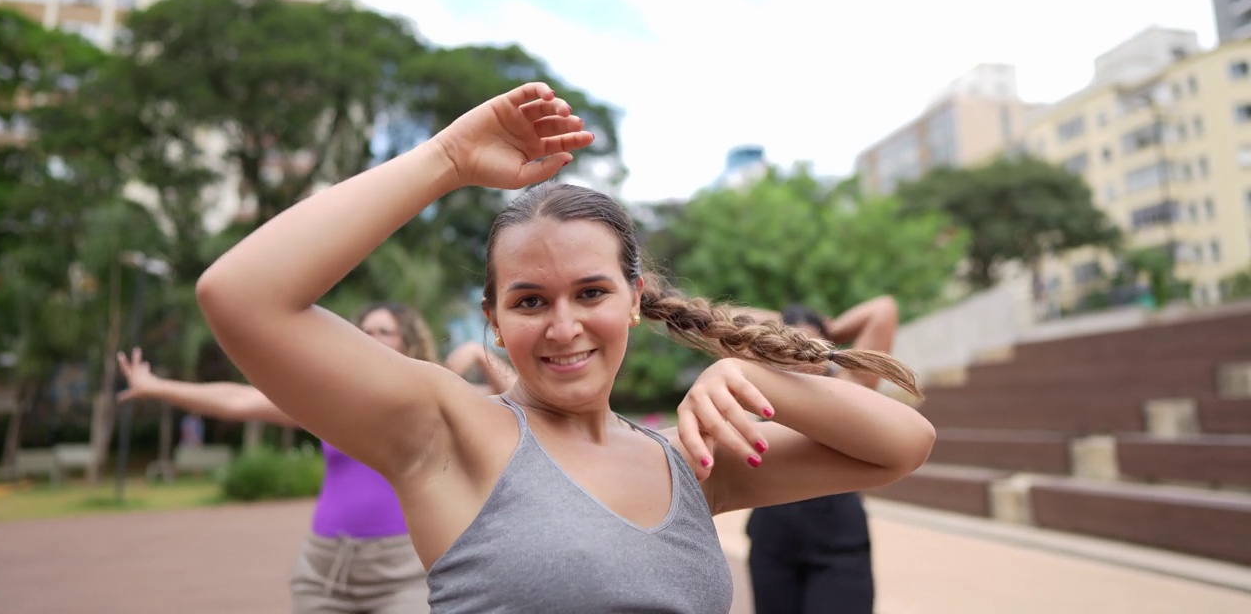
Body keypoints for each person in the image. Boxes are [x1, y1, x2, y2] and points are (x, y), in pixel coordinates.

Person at [194, 82, 936, 613]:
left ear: (634, 301)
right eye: (528, 301)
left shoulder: (691, 460)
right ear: (493, 318)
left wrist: (747, 373)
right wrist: (448, 159)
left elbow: (901, 445)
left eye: (590, 293)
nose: (562, 325)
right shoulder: (449, 431)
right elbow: (241, 297)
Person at [116, 301, 513, 614]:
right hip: (324, 569)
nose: (370, 337)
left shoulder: (439, 406)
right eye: (365, 331)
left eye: (383, 331)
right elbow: (238, 399)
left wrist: (480, 356)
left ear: (406, 343)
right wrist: (156, 386)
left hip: (402, 573)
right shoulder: (331, 404)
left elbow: (521, 404)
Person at [744, 297, 900, 614]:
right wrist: (786, 322)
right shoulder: (763, 386)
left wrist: (825, 326)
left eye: (810, 341)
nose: (801, 349)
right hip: (773, 543)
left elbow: (883, 309)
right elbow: (736, 318)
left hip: (838, 545)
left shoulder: (850, 385)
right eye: (791, 340)